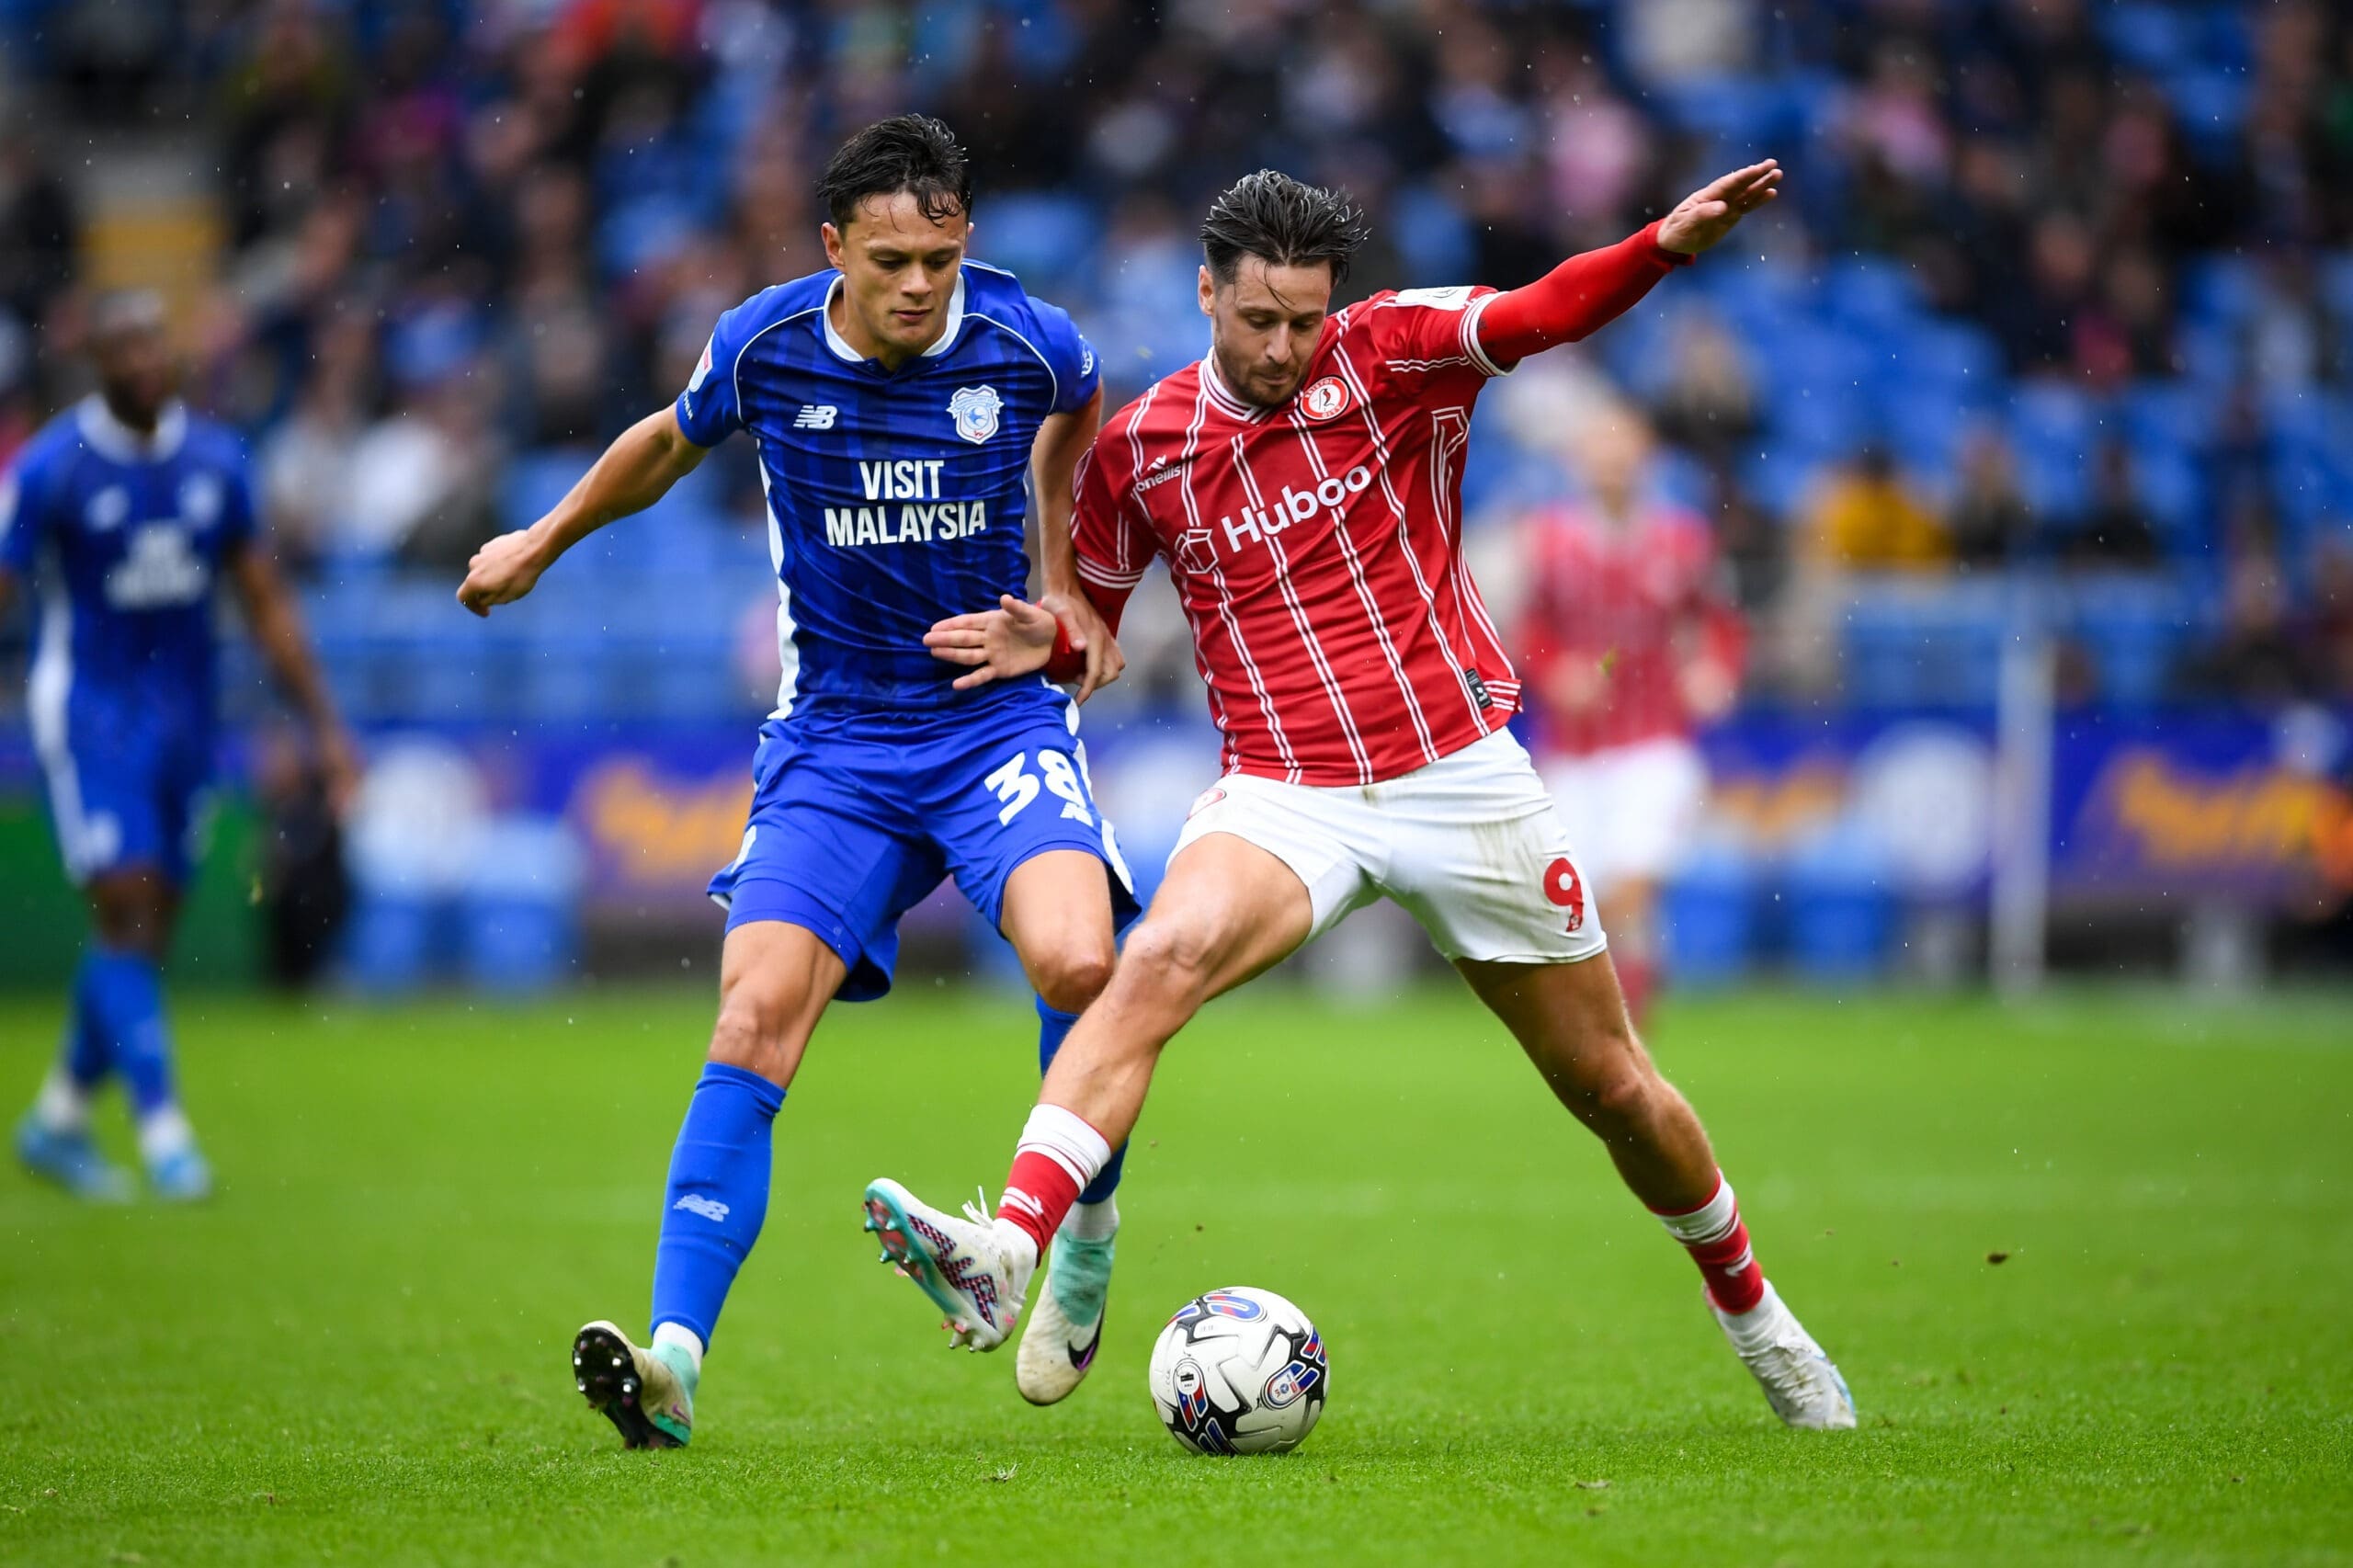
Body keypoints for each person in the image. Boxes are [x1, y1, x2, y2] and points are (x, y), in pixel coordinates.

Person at [868, 161, 1858, 1431]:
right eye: (1258, 320)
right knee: (1152, 959)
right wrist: (1048, 643)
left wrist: (1658, 246)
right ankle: (1011, 1244)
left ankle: (1758, 1318)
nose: (1286, 346)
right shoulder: (1141, 452)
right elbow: (1096, 633)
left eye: (1303, 320)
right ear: (1206, 294)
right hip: (1287, 793)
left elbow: (1543, 311)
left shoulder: (1391, 351)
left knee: (1613, 1085)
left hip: (1459, 771)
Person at [456, 116, 1139, 1449]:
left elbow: (1082, 410)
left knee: (1077, 963)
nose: (918, 287)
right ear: (834, 247)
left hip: (993, 725)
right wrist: (540, 542)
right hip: (836, 739)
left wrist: (1060, 583)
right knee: (753, 1016)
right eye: (890, 259)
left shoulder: (1027, 339)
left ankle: (1084, 1237)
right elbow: (667, 437)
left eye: (940, 259)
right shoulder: (768, 343)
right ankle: (672, 1362)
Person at [1, 289, 358, 1202]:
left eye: (156, 344)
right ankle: (166, 1136)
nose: (147, 363)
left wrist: (321, 724)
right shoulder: (52, 470)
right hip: (88, 710)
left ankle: (58, 1118)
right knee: (124, 904)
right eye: (126, 349)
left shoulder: (217, 461)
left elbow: (265, 600)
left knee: (149, 924)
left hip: (188, 718)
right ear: (97, 363)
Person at [1514, 404, 1745, 1029]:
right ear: (1579, 459)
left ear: (1646, 454)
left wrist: (1714, 671)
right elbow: (1527, 631)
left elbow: (1720, 620)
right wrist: (1555, 671)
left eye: (1624, 444)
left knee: (1631, 886)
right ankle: (1623, 1016)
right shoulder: (1549, 539)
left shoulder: (1683, 538)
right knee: (1583, 903)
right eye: (1599, 444)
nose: (1612, 458)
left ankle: (1624, 1027)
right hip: (1575, 750)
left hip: (1656, 742)